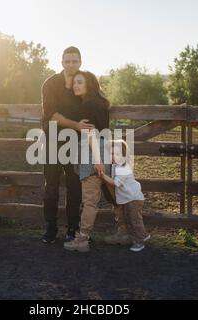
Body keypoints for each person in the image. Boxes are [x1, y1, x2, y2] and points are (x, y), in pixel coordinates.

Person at [41, 47, 95, 244]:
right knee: (51, 186)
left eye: (74, 61)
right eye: (67, 61)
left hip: (77, 142)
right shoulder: (50, 84)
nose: (71, 65)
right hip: (53, 140)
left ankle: (72, 228)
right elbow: (51, 114)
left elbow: (95, 102)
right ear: (61, 62)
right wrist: (75, 124)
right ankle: (51, 227)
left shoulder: (84, 82)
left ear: (80, 62)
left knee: (75, 187)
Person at [63, 71, 113, 253]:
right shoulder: (101, 104)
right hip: (104, 150)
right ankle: (125, 231)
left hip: (93, 153)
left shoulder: (87, 105)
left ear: (88, 85)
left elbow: (91, 133)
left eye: (79, 82)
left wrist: (97, 161)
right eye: (74, 82)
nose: (75, 85)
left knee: (90, 201)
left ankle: (82, 239)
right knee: (114, 196)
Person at [99, 139, 151, 252]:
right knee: (126, 219)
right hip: (126, 199)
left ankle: (141, 239)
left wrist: (102, 176)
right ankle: (127, 236)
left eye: (117, 154)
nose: (113, 156)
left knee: (134, 220)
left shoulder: (124, 167)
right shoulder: (116, 166)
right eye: (111, 153)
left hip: (133, 198)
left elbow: (115, 183)